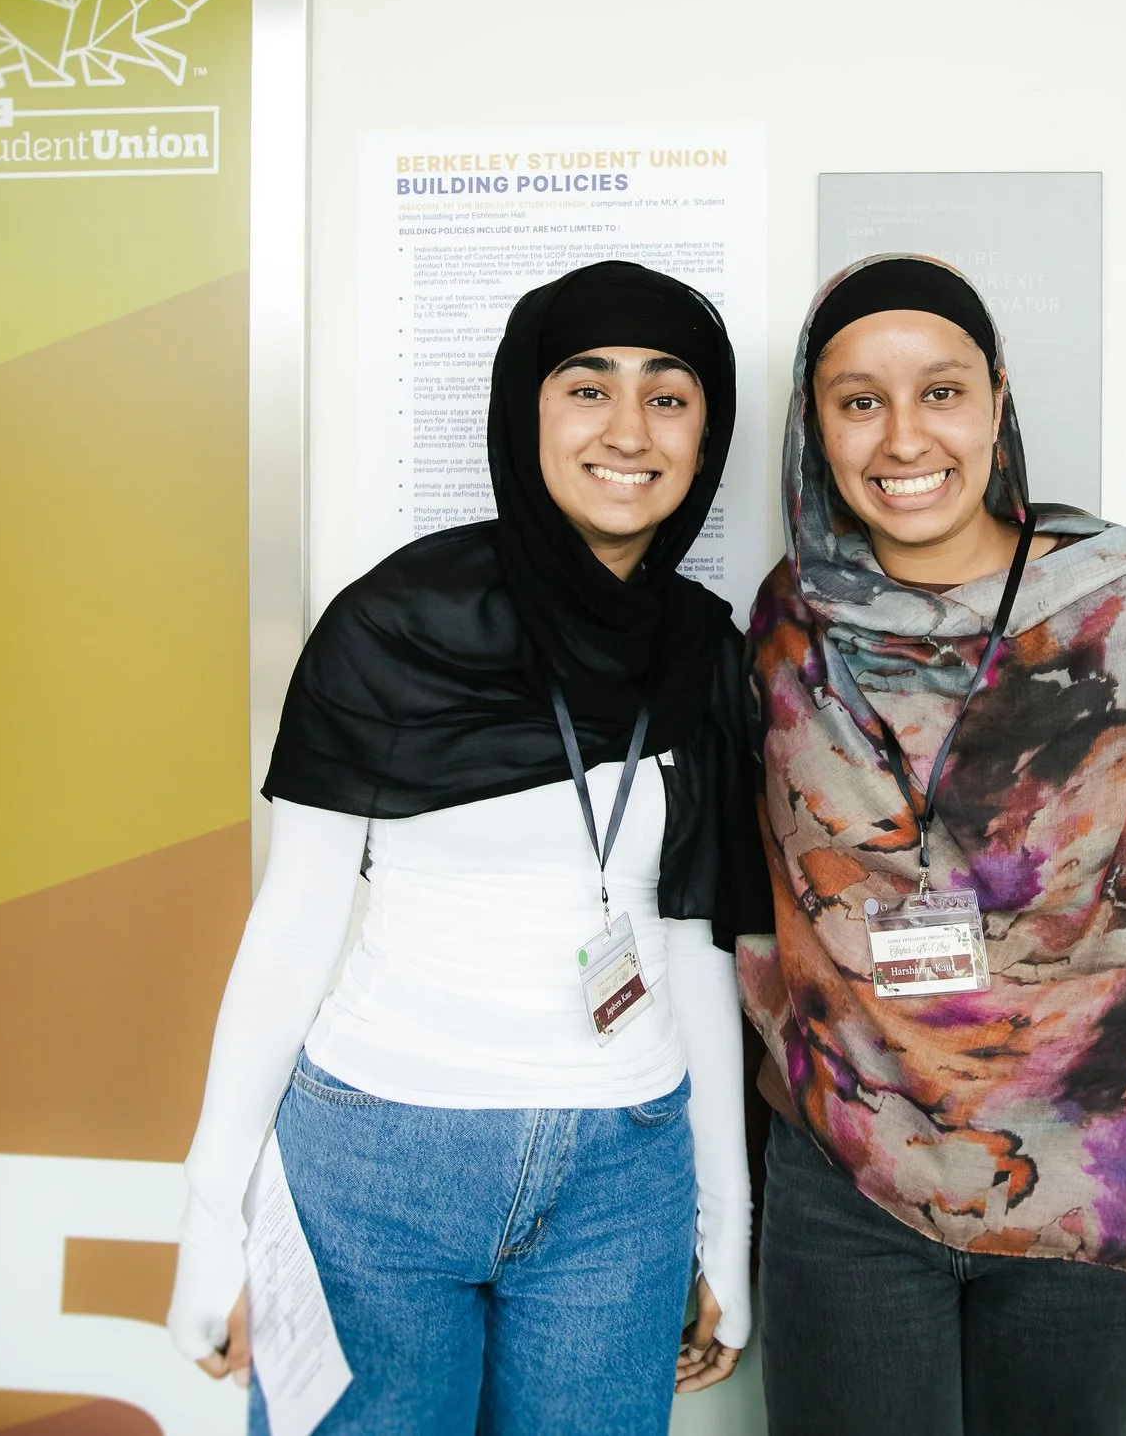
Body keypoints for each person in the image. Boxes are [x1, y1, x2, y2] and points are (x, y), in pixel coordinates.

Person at [737, 255, 1126, 1436]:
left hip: (1089, 1184)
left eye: (941, 390)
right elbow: (750, 911)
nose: (902, 434)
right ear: (815, 424)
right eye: (857, 398)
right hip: (842, 1186)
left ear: (999, 398)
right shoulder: (785, 624)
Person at [167, 260, 769, 1436]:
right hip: (376, 1162)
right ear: (525, 409)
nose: (627, 429)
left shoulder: (702, 649)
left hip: (623, 1180)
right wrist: (210, 1214)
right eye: (586, 386)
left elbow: (693, 940)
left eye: (668, 393)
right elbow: (290, 926)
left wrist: (722, 1224)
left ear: (708, 431)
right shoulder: (390, 624)